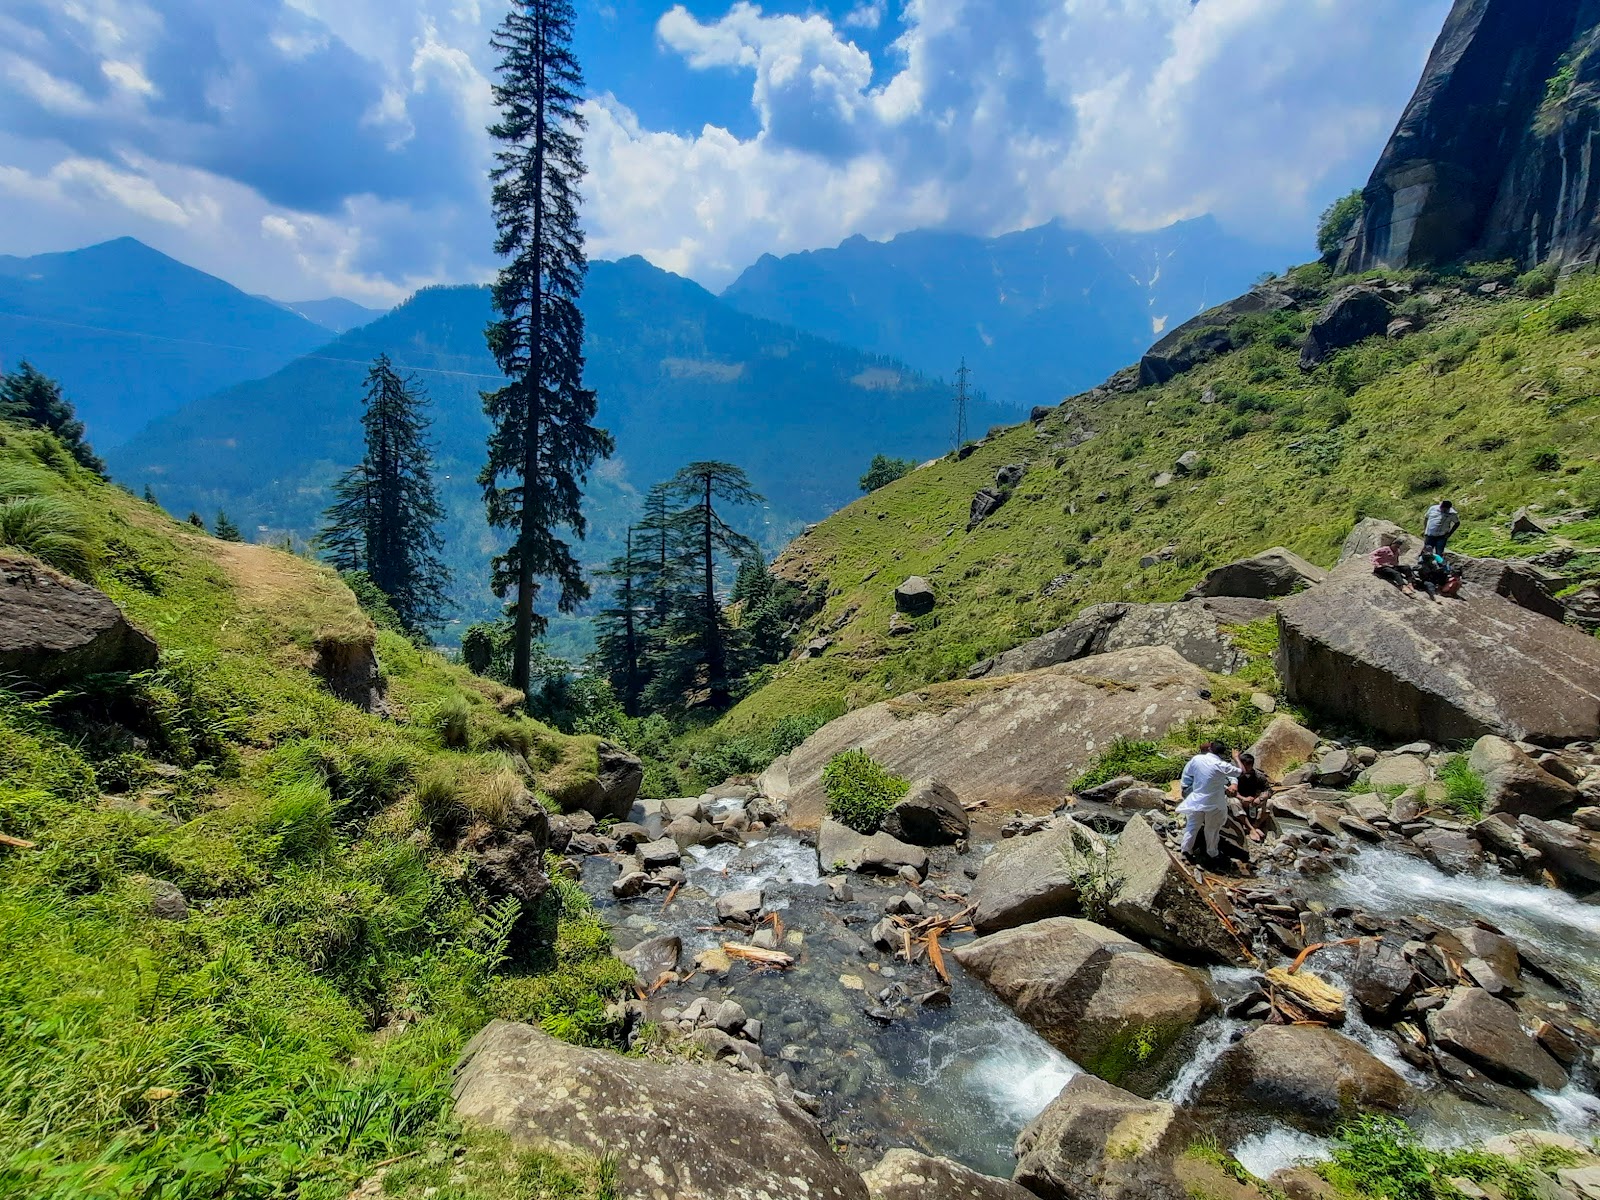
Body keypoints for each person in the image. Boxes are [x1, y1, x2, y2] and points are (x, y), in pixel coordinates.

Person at [1177, 740, 1241, 863]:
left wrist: (1230, 783)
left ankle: (1186, 850)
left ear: (1210, 750)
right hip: (1213, 801)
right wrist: (1236, 758)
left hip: (1197, 798)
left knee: (1192, 825)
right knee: (1212, 828)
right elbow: (1239, 772)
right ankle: (1212, 852)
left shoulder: (1196, 760)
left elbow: (1192, 774)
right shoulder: (1220, 764)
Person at [1228, 751, 1273, 842]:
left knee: (1270, 803)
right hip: (1239, 799)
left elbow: (1268, 790)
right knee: (1233, 802)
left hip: (1254, 802)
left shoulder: (1259, 776)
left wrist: (1260, 798)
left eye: (1246, 766)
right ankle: (1250, 829)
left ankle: (1255, 826)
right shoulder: (1234, 774)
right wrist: (1242, 798)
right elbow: (1228, 791)